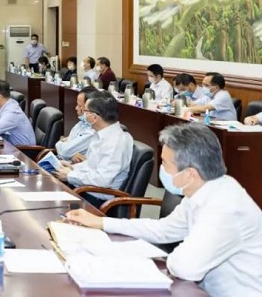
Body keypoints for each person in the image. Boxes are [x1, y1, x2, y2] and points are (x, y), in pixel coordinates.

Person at [66, 124, 262, 297]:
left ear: (190, 174)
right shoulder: (203, 190)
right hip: (201, 289)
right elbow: (164, 229)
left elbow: (185, 267)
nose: (161, 169)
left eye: (165, 164)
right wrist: (102, 222)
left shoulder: (225, 207)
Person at [53, 91, 133, 208]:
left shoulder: (116, 141)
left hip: (96, 198)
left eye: (85, 111)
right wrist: (72, 167)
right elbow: (91, 166)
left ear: (94, 117)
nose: (82, 113)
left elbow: (103, 180)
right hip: (85, 189)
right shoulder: (100, 134)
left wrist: (70, 175)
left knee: (52, 204)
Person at [52, 86, 98, 162]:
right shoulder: (82, 123)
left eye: (80, 106)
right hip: (61, 161)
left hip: (71, 166)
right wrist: (69, 151)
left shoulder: (92, 131)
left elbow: (65, 152)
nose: (76, 108)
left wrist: (60, 143)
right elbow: (66, 150)